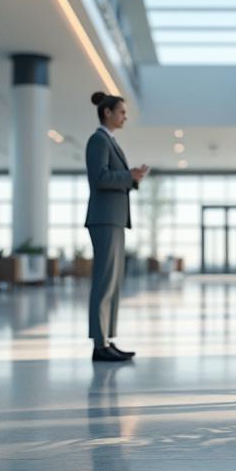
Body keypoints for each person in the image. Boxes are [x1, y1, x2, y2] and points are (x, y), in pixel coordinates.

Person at [85, 92, 149, 362]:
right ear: (107, 113)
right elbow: (99, 178)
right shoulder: (98, 141)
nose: (124, 117)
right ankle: (99, 344)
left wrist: (132, 178)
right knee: (104, 282)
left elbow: (113, 177)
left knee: (113, 282)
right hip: (104, 218)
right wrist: (128, 176)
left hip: (115, 218)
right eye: (121, 112)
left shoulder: (110, 141)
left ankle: (107, 339)